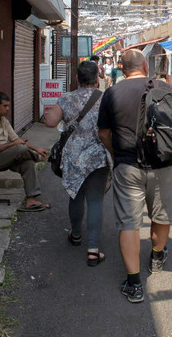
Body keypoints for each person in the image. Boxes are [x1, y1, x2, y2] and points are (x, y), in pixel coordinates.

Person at [97, 49, 172, 303]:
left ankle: (134, 283)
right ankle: (157, 257)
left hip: (127, 166)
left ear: (122, 69)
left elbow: (103, 132)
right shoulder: (164, 87)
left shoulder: (112, 93)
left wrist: (116, 153)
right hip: (163, 164)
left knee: (129, 222)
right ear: (145, 67)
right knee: (162, 214)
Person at [44, 61, 111, 266]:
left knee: (75, 196)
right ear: (97, 78)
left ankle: (75, 235)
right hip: (98, 157)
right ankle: (93, 249)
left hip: (73, 157)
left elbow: (50, 122)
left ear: (77, 79)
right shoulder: (105, 99)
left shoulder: (66, 98)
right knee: (95, 201)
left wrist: (49, 112)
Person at [0, 92, 50, 212]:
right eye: (5, 106)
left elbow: (17, 140)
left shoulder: (3, 120)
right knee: (20, 149)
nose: (8, 109)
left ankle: (31, 200)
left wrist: (36, 149)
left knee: (28, 162)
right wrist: (12, 145)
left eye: (8, 106)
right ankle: (38, 158)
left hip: (4, 156)